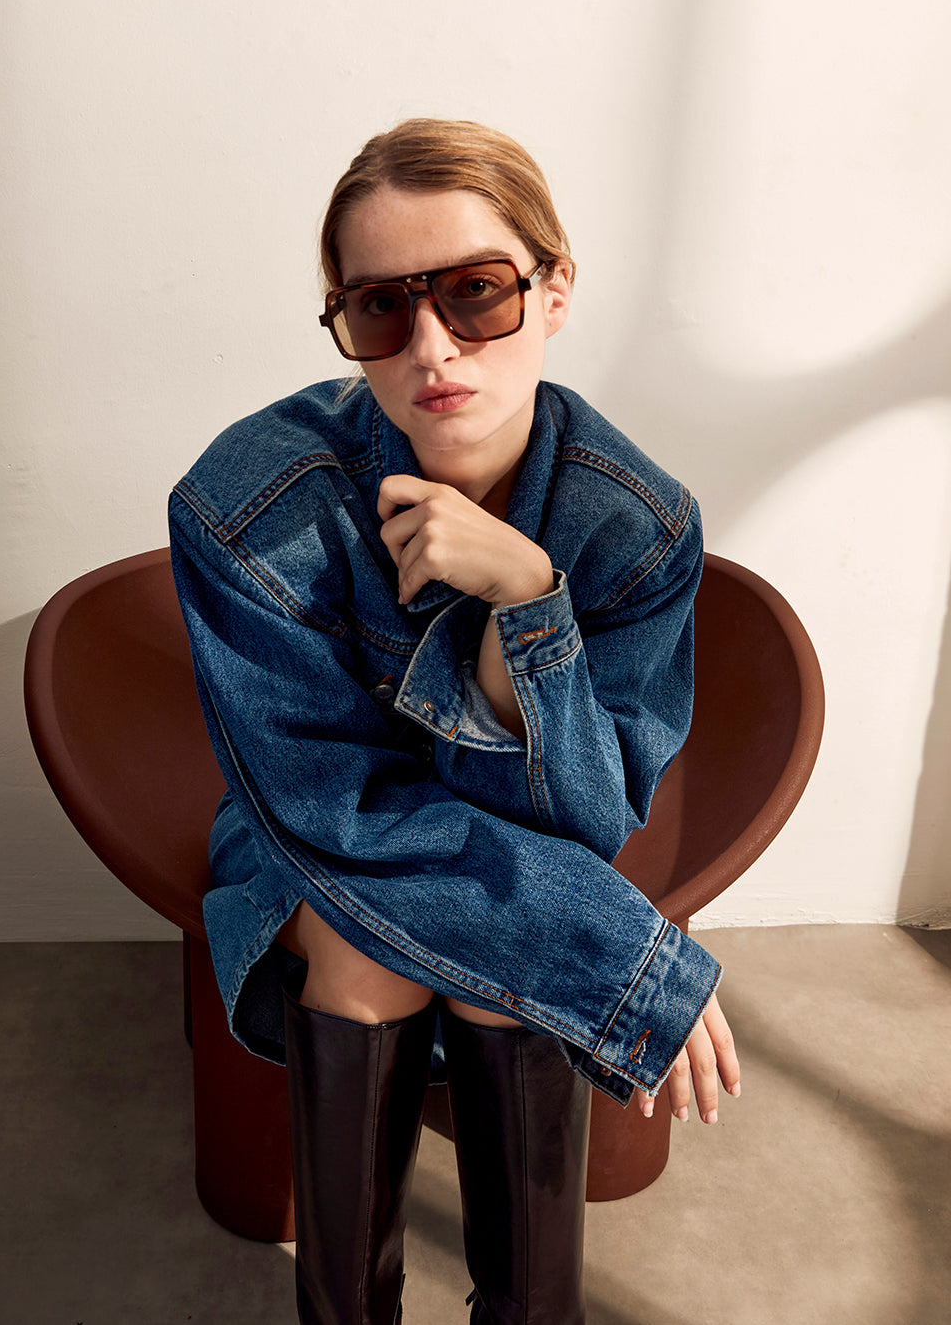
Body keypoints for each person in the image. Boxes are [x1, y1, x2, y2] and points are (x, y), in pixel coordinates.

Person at [169, 118, 740, 1325]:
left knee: (497, 975)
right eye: (381, 307)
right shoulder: (248, 503)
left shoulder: (637, 526)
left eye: (476, 292)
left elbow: (584, 820)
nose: (431, 349)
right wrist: (618, 962)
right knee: (373, 946)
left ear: (554, 288)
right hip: (307, 845)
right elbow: (326, 812)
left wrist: (526, 602)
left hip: (524, 853)